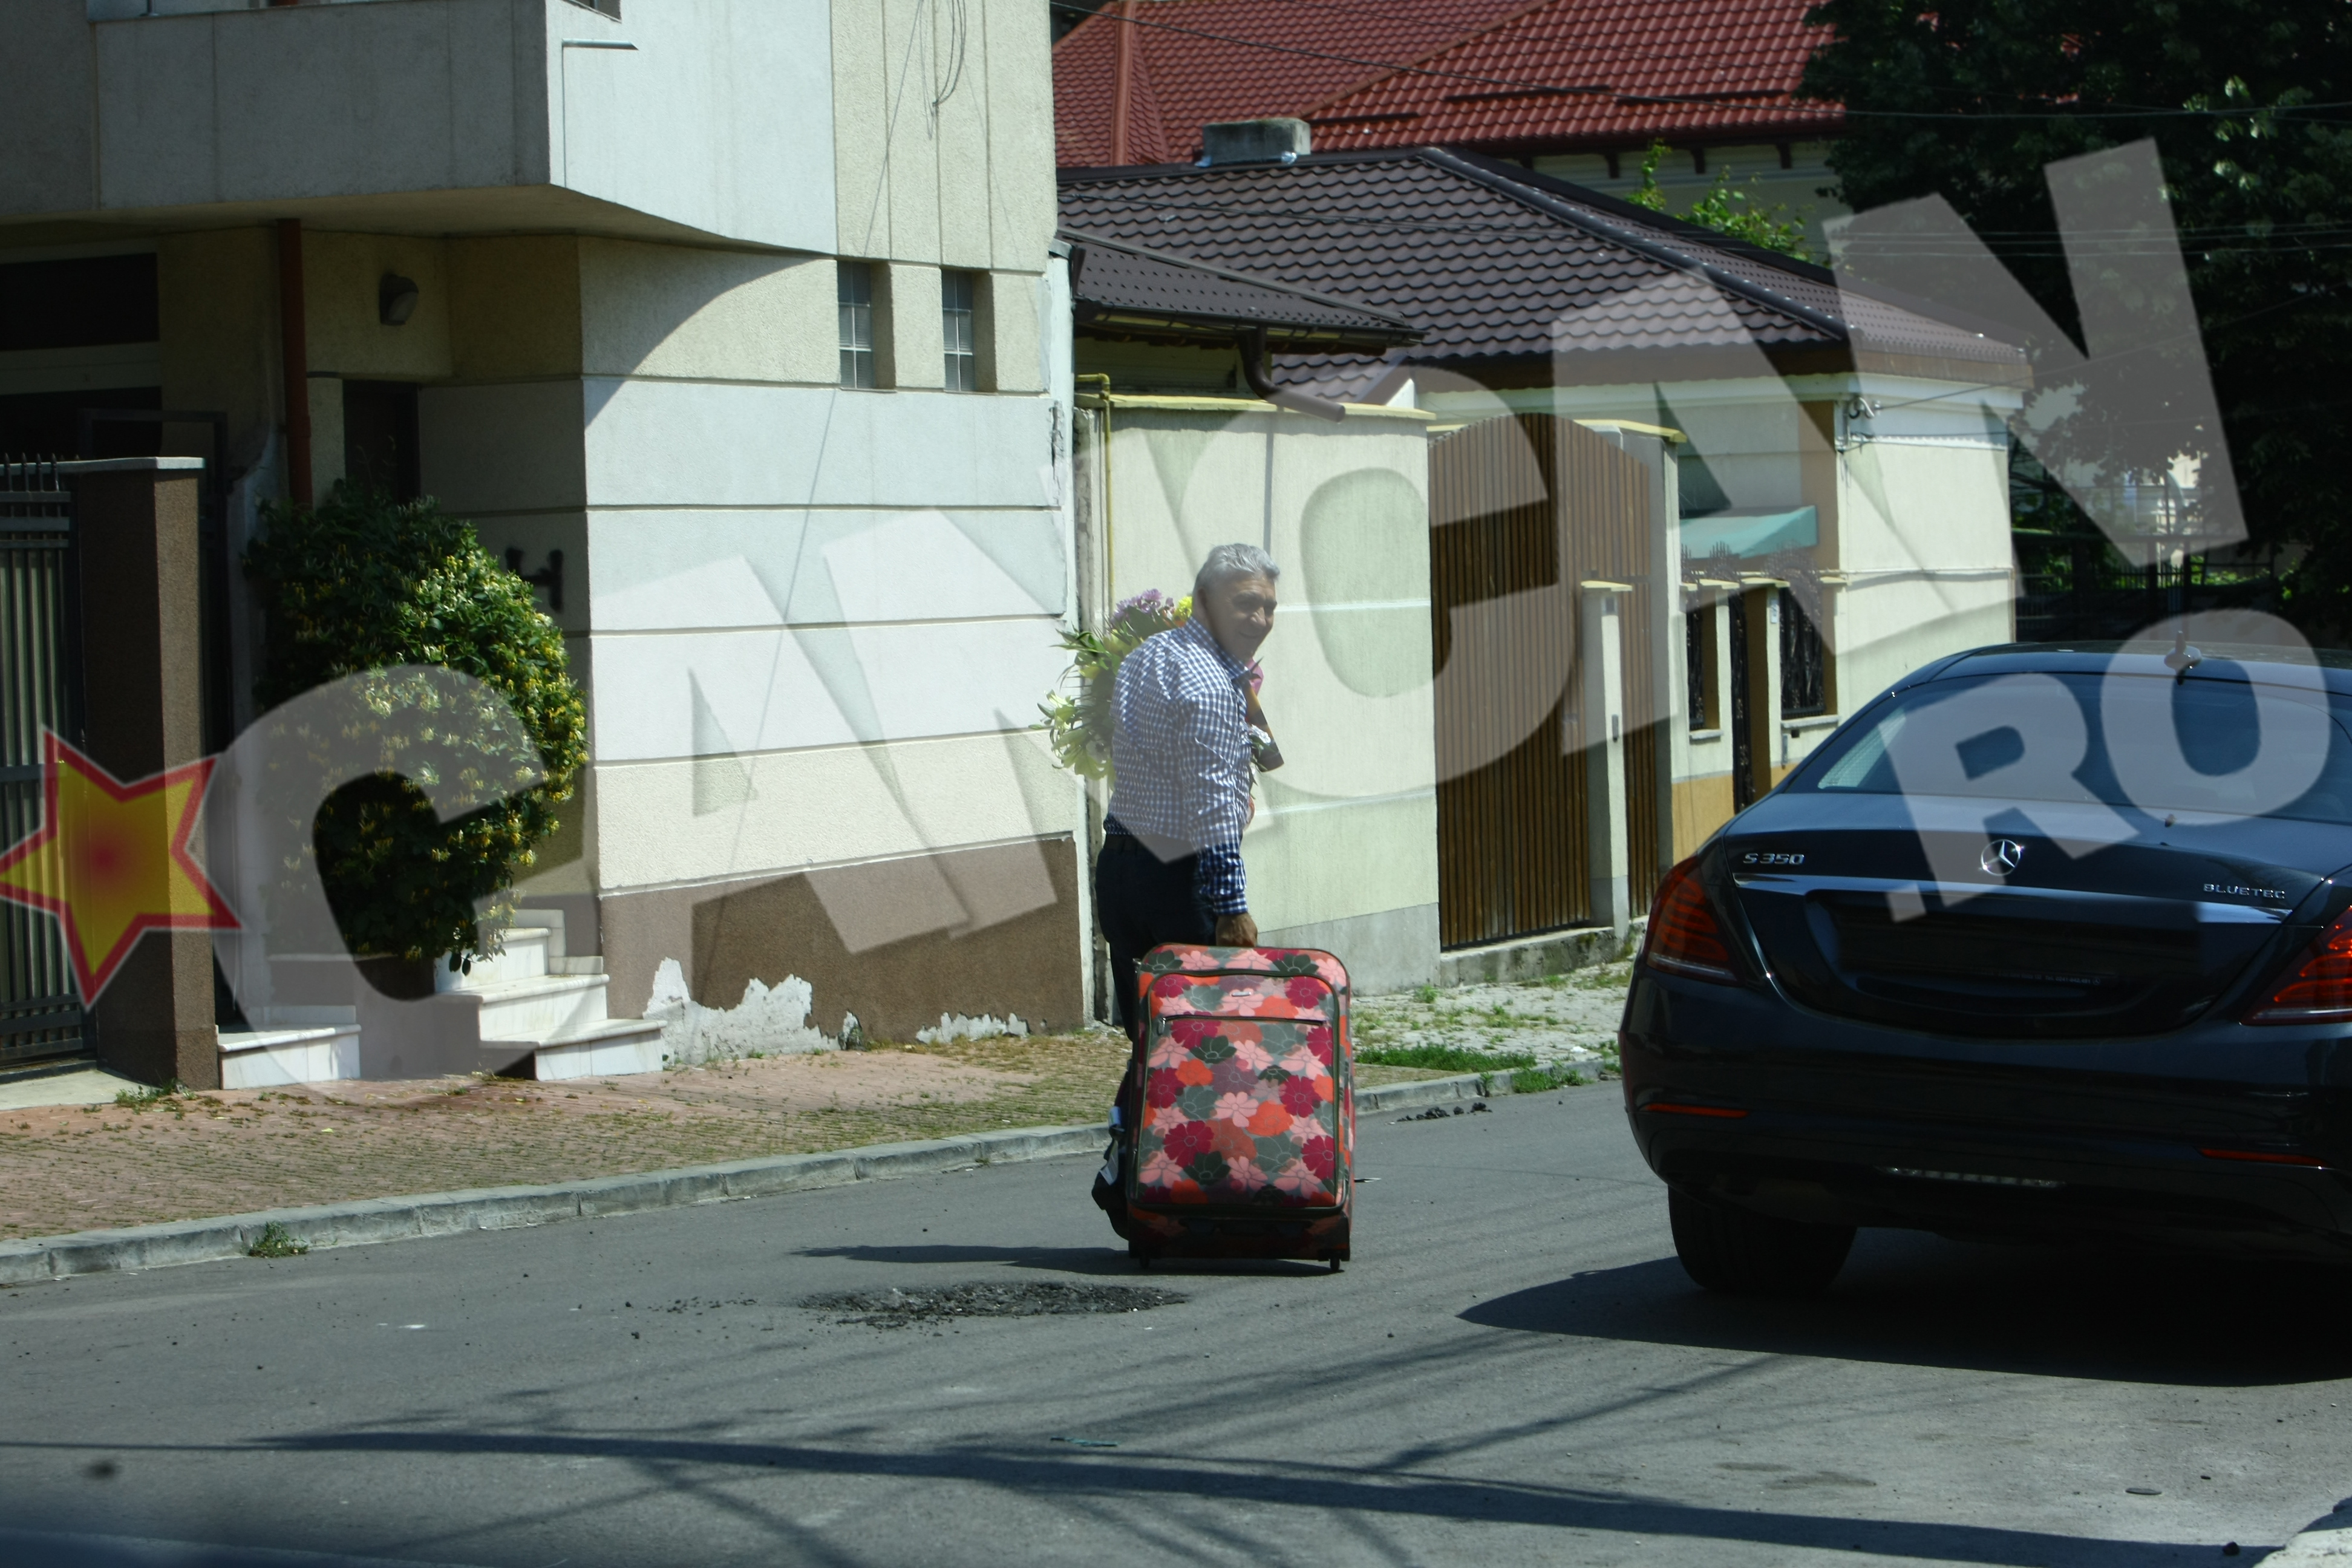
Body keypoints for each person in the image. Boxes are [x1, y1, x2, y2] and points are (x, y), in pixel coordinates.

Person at [1091, 543, 1279, 1232]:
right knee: (1200, 1038)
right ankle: (1172, 1180)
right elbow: (1209, 809)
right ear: (1204, 603)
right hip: (1180, 879)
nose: (1258, 617)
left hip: (1122, 869)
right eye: (1243, 604)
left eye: (1267, 607)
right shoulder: (1206, 686)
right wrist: (1231, 907)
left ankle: (1135, 1167)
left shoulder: (1150, 658)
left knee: (1153, 1035)